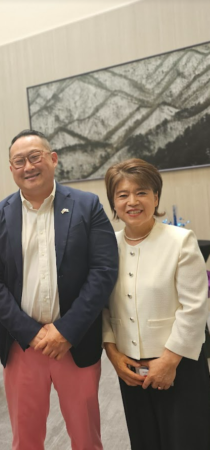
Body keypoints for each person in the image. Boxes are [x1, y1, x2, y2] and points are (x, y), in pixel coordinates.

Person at [0, 129, 119, 450]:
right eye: (19, 161)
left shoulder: (87, 206)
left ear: (53, 159)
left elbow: (104, 270)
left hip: (74, 341)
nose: (28, 166)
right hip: (22, 345)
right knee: (26, 439)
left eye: (35, 157)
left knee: (86, 437)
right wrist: (30, 332)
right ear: (11, 169)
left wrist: (66, 330)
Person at [103, 158, 210, 450]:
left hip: (180, 364)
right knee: (145, 440)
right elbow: (103, 307)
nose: (132, 201)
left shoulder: (180, 241)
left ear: (156, 197)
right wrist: (113, 354)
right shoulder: (107, 247)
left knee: (187, 440)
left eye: (141, 192)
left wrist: (169, 361)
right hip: (130, 368)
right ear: (113, 202)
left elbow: (194, 308)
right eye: (122, 195)